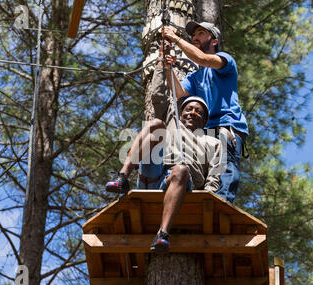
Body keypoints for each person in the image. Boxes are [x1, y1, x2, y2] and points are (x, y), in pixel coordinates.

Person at [106, 54, 224, 254]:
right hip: (154, 174)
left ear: (204, 121)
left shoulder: (212, 142)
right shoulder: (173, 125)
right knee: (155, 125)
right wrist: (161, 64)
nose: (192, 113)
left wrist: (207, 196)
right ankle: (122, 177)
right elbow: (159, 95)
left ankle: (162, 234)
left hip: (181, 184)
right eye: (188, 109)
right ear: (181, 111)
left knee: (181, 169)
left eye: (198, 112)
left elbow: (215, 175)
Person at [161, 21, 249, 203]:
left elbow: (202, 58)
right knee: (209, 171)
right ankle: (202, 203)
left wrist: (175, 39)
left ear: (214, 40)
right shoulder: (195, 76)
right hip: (206, 131)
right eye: (194, 35)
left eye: (201, 33)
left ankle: (221, 206)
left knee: (225, 169)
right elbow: (180, 93)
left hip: (227, 126)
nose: (195, 37)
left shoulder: (225, 61)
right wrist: (168, 68)